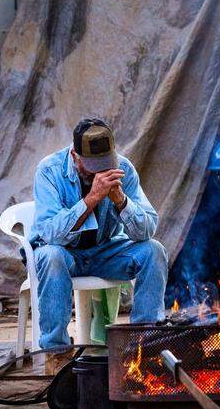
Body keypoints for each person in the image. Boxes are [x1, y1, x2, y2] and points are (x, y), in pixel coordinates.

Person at [30, 118, 167, 349]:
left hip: (105, 252)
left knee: (154, 251)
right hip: (65, 254)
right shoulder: (48, 171)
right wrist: (91, 199)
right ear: (75, 156)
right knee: (50, 256)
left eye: (106, 164)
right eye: (93, 166)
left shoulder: (123, 169)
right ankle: (55, 352)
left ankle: (145, 345)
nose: (101, 172)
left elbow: (148, 228)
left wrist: (122, 202)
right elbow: (50, 233)